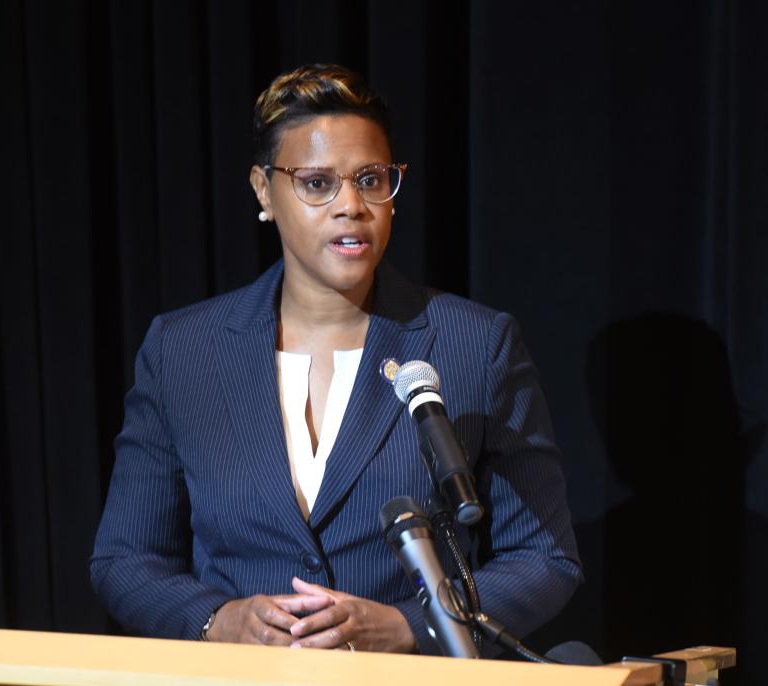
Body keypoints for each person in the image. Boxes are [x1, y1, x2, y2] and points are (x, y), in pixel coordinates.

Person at [90, 63, 582, 655]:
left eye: (371, 179)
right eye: (318, 183)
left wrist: (408, 625)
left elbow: (544, 558)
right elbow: (125, 557)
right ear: (263, 191)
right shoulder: (184, 351)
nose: (352, 205)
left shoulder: (476, 346)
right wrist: (217, 620)